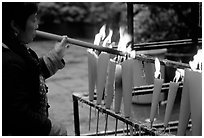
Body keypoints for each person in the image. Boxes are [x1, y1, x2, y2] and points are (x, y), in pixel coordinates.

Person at [2, 2, 69, 136]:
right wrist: (51, 128)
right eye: (33, 20)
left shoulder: (16, 50)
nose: (37, 25)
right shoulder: (8, 62)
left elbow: (30, 76)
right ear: (15, 25)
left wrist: (56, 55)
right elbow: (19, 115)